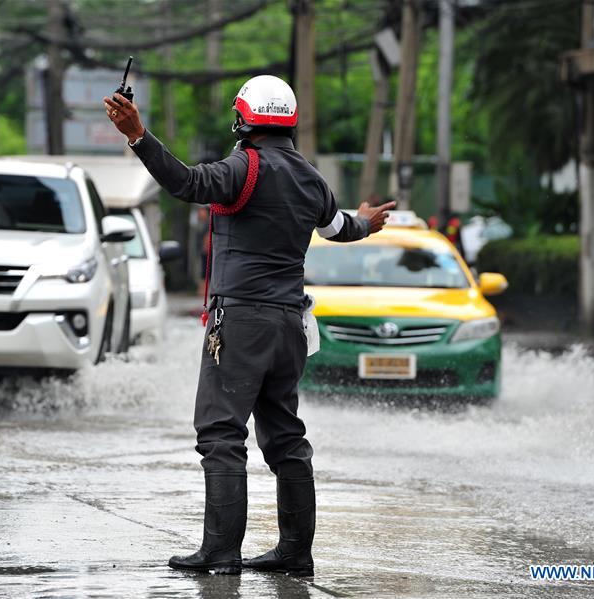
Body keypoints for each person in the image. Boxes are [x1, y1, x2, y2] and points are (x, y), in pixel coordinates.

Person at [103, 75, 394, 576]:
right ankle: (295, 552)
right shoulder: (311, 178)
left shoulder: (245, 166)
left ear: (243, 120)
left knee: (221, 434)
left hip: (240, 321)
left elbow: (187, 183)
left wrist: (138, 135)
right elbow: (340, 227)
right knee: (285, 438)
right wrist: (366, 221)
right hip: (290, 327)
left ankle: (220, 553)